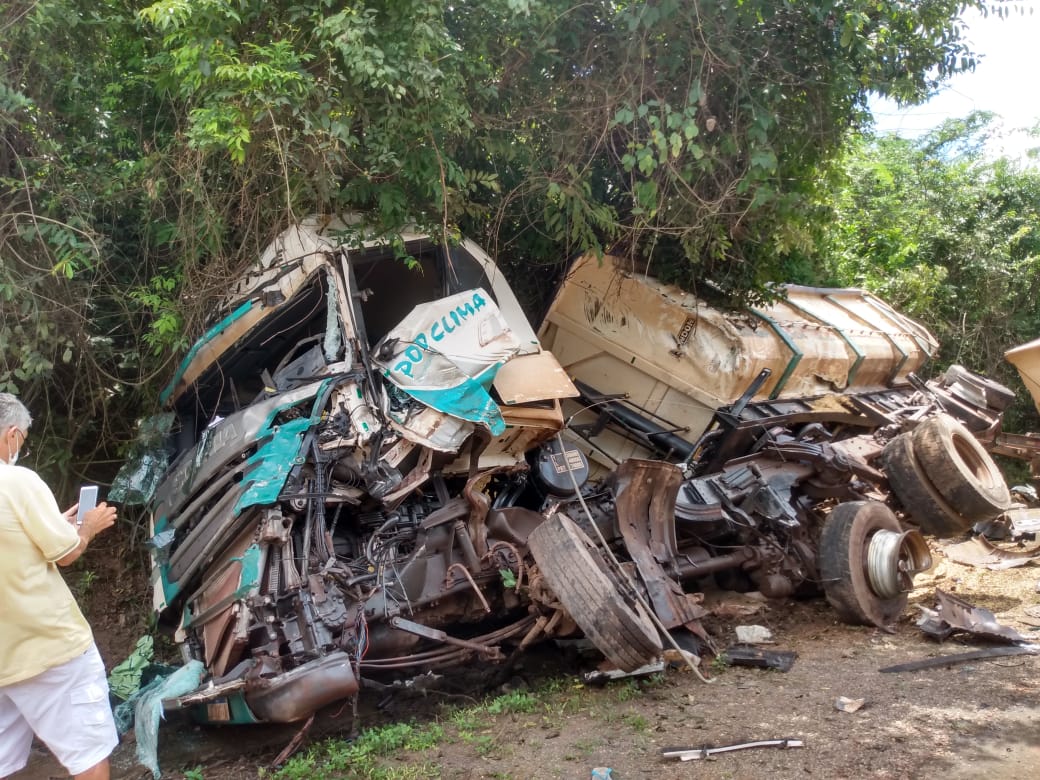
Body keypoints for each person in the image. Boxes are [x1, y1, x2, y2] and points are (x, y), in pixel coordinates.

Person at [0, 393, 119, 780]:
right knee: (88, 754)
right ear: (11, 435)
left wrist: (54, 522)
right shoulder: (16, 481)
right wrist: (87, 528)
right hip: (48, 650)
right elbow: (66, 553)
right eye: (23, 438)